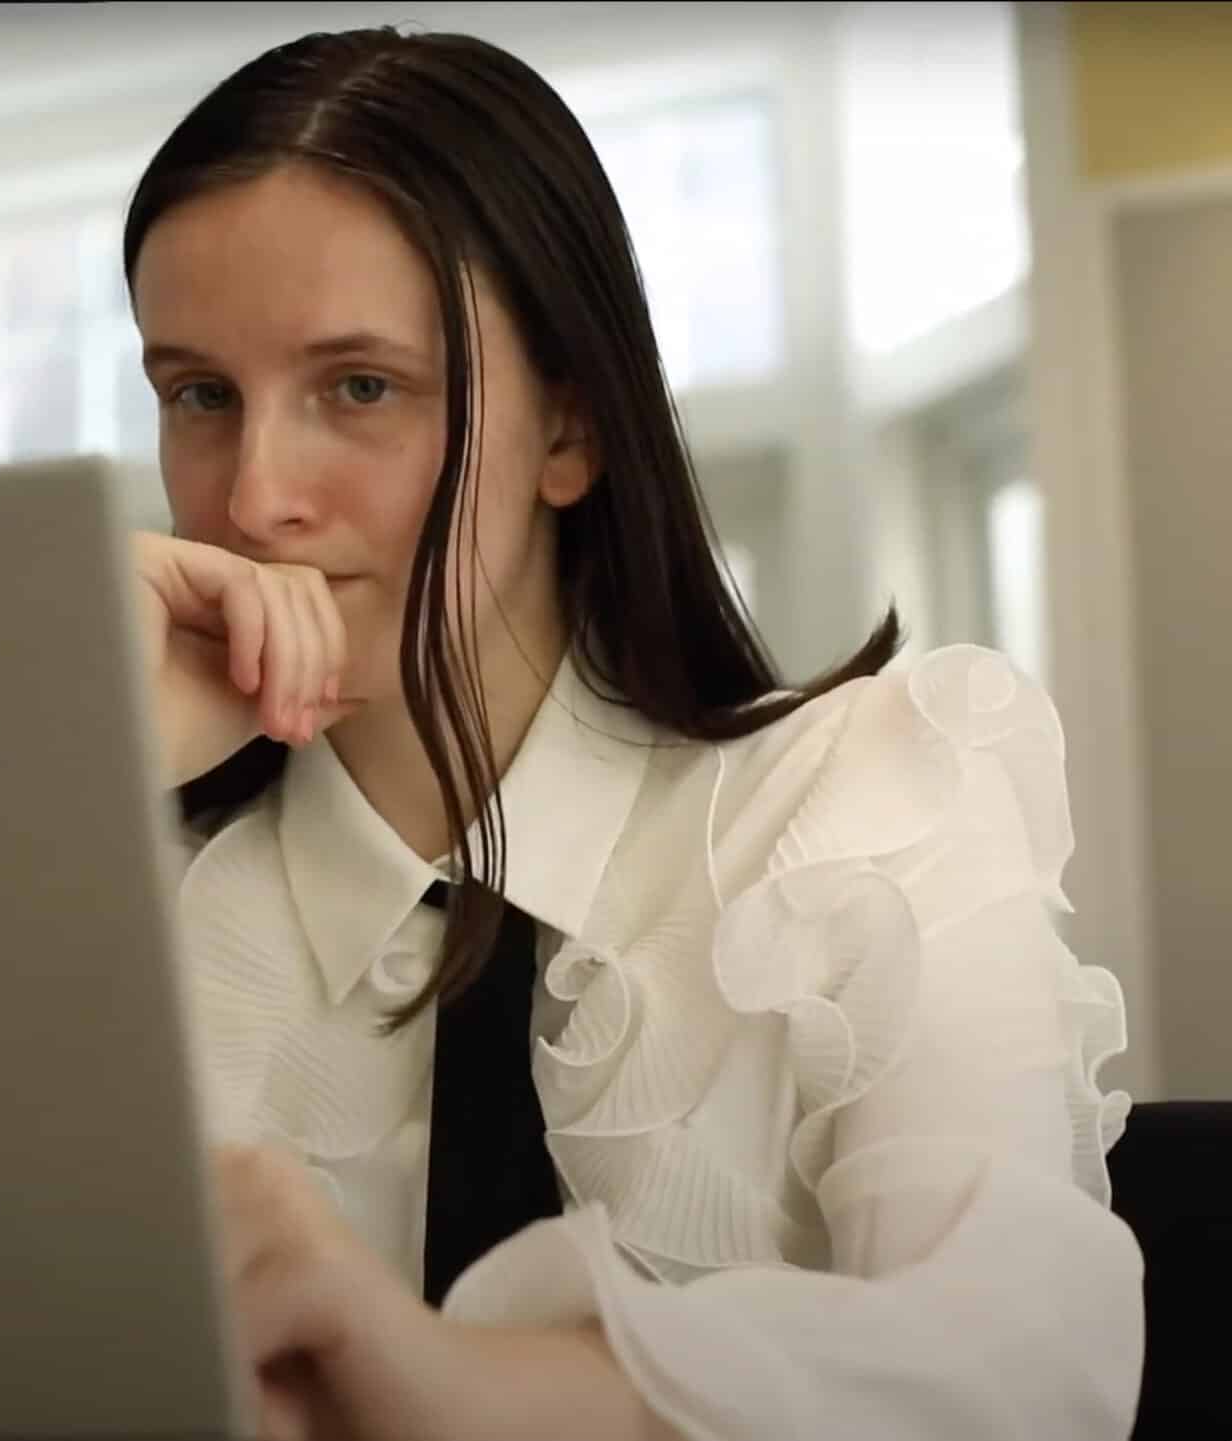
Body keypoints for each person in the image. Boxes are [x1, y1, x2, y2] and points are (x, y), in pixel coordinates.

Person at [124, 28, 1141, 1441]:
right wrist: (52, 778)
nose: (255, 495)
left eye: (360, 386)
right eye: (199, 395)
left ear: (569, 431)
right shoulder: (105, 913)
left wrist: (429, 1377)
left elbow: (1022, 1365)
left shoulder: (867, 803)